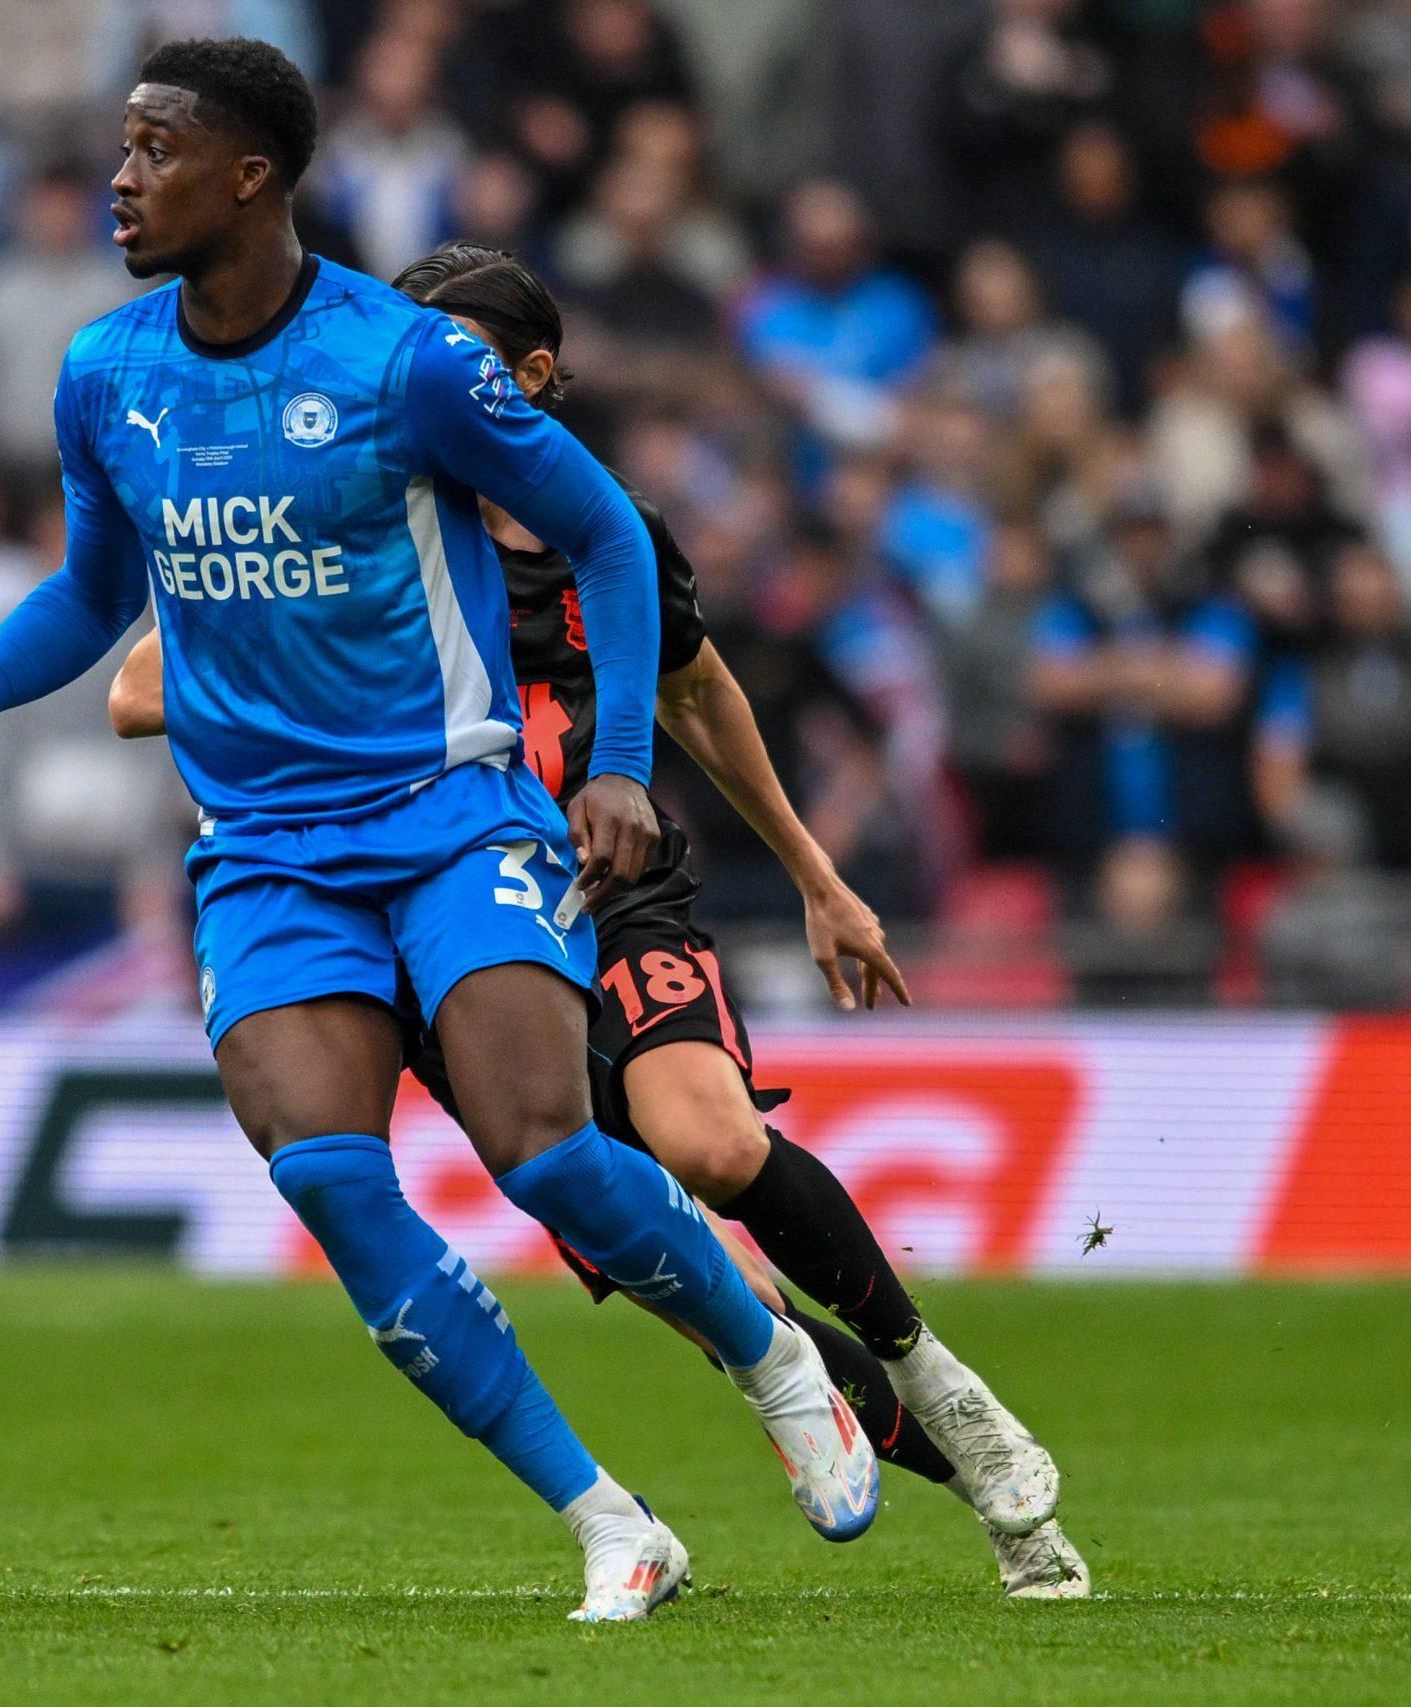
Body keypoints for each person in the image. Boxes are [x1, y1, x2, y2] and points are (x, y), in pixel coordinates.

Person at [0, 37, 874, 1623]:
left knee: (543, 1149)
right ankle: (614, 1524)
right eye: (122, 151)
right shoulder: (105, 371)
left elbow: (606, 533)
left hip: (455, 811)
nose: (119, 179)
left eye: (153, 149)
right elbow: (88, 596)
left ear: (250, 175)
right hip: (264, 847)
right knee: (331, 1175)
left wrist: (611, 760)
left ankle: (771, 1355)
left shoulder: (406, 363)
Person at [112, 242, 1082, 1599]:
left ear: (532, 379)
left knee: (711, 1138)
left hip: (611, 892)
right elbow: (139, 687)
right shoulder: (354, 515)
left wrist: (817, 876)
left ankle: (948, 1390)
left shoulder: (598, 527)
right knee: (701, 1295)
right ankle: (955, 1479)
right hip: (452, 907)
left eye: (453, 359)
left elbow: (701, 695)